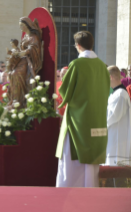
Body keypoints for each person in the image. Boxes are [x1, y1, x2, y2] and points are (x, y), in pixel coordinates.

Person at [55, 31, 110, 187]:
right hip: (97, 117)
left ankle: (68, 190)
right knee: (91, 160)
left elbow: (65, 91)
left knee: (71, 159)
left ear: (78, 46)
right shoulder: (102, 66)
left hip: (77, 120)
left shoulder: (76, 64)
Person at [106, 66, 131, 166]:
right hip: (114, 137)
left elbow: (112, 117)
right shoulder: (116, 93)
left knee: (116, 173)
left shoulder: (120, 94)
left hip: (117, 139)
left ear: (111, 77)